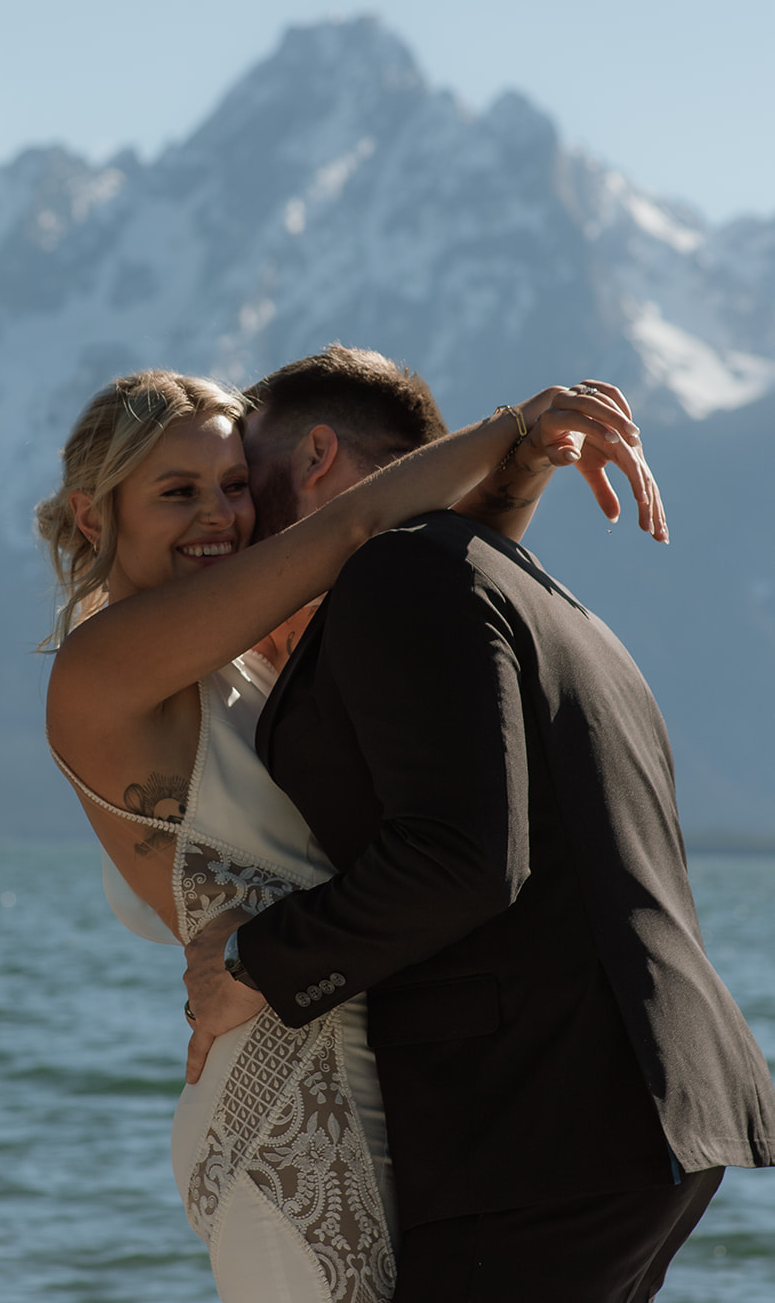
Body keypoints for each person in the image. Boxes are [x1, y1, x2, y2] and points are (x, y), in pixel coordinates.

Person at [38, 359, 662, 1303]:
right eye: (178, 493)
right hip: (277, 1099)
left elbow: (414, 601)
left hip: (394, 1071)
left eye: (236, 487)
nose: (221, 516)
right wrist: (513, 426)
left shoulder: (243, 656)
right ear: (94, 518)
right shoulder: (102, 665)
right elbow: (356, 530)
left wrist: (520, 476)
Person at [183, 347, 775, 1303]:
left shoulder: (394, 577)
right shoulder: (528, 587)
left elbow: (460, 859)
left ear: (320, 455)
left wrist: (254, 964)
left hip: (539, 1123)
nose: (239, 520)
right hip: (629, 1111)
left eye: (249, 482)